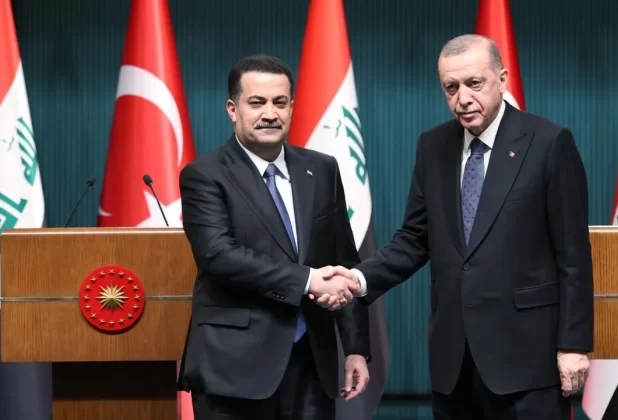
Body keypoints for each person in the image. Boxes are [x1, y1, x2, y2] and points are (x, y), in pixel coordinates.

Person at [320, 34, 594, 419]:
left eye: (474, 83)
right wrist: (357, 280)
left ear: (503, 79)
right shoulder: (433, 146)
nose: (462, 98)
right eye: (451, 88)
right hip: (454, 361)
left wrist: (573, 345)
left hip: (527, 360)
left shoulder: (548, 142)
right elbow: (414, 239)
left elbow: (573, 255)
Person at [176, 54, 371, 420]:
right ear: (232, 109)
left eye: (280, 102)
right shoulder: (205, 175)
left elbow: (344, 259)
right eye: (257, 102)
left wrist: (356, 347)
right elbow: (219, 256)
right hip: (234, 368)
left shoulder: (321, 168)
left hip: (312, 364)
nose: (270, 113)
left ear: (291, 107)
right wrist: (308, 280)